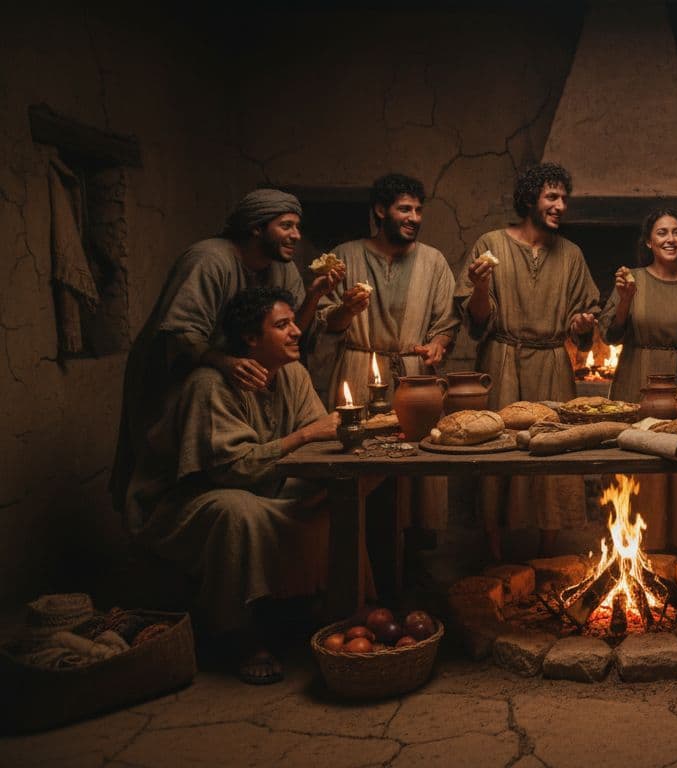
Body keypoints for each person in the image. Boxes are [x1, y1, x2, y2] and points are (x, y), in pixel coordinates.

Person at [127, 287, 342, 685]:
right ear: (251, 339)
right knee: (236, 510)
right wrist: (305, 436)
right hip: (187, 500)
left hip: (262, 486)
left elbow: (322, 435)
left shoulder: (292, 373)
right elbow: (230, 469)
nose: (297, 332)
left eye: (294, 322)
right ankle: (238, 635)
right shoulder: (209, 384)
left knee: (334, 497)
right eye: (282, 325)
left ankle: (317, 609)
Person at [112, 190, 341, 527]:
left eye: (298, 226)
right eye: (286, 226)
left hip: (241, 372)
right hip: (183, 372)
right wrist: (226, 363)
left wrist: (314, 296)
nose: (296, 235)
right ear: (255, 228)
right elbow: (180, 332)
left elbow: (293, 331)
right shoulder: (209, 260)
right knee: (175, 459)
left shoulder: (283, 268)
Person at [455, 163, 601, 558]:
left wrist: (580, 322)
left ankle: (549, 552)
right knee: (497, 449)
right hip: (502, 360)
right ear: (530, 199)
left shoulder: (570, 254)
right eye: (551, 197)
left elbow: (581, 322)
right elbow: (477, 321)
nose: (560, 206)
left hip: (553, 363)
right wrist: (481, 286)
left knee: (553, 453)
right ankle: (495, 551)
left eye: (563, 199)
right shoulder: (491, 245)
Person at [598, 209, 677, 553]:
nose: (671, 239)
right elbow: (609, 333)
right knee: (639, 458)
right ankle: (633, 547)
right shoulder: (631, 280)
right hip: (637, 378)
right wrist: (624, 300)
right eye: (662, 233)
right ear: (649, 242)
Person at [311, 173, 458, 408]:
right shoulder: (345, 256)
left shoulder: (433, 261)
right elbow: (325, 323)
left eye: (418, 210)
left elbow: (447, 322)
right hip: (357, 373)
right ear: (381, 210)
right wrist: (347, 310)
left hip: (414, 377)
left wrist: (438, 344)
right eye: (405, 209)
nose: (414, 218)